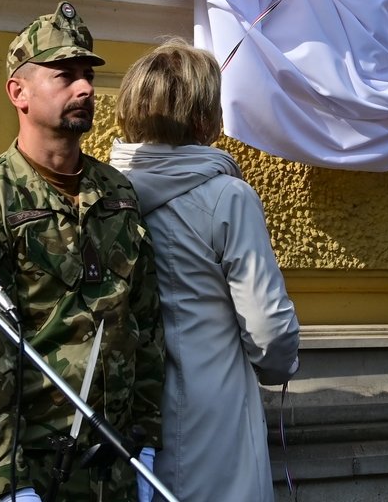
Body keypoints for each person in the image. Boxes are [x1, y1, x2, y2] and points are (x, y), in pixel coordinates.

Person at [0, 3, 164, 502]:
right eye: (64, 75)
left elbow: (143, 323)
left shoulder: (117, 195)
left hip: (112, 464)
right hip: (30, 469)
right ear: (18, 92)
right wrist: (7, 483)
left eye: (86, 75)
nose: (84, 88)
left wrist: (146, 440)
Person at [108, 39, 301, 502]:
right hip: (212, 409)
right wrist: (280, 367)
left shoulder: (107, 194)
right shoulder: (227, 197)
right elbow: (268, 327)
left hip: (125, 406)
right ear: (203, 118)